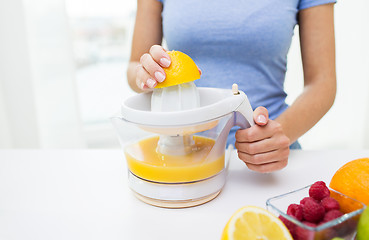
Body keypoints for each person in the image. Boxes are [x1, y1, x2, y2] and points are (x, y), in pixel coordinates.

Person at [126, 0, 337, 173]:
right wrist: (146, 73)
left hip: (270, 163)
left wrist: (278, 136)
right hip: (180, 157)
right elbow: (135, 65)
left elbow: (322, 82)